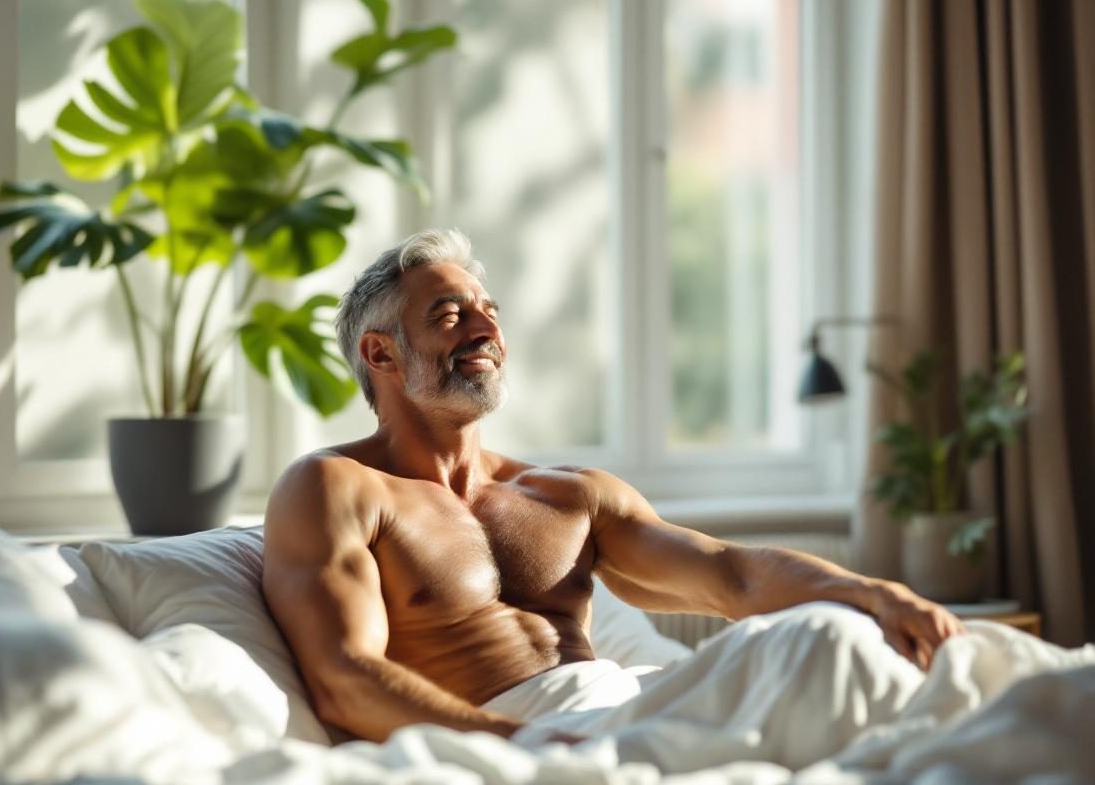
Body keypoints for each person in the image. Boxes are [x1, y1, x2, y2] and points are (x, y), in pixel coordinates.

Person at [261, 229, 964, 745]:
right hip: (518, 736)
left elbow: (732, 577)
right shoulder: (335, 487)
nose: (486, 329)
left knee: (837, 637)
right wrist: (518, 745)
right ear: (380, 351)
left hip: (623, 711)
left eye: (489, 310)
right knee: (827, 654)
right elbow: (344, 678)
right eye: (450, 315)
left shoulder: (566, 493)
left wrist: (875, 593)